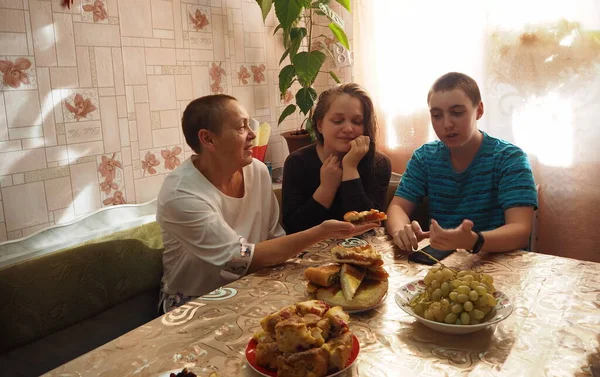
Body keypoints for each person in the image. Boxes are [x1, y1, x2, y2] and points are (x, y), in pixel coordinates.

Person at [156, 94, 376, 312]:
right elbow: (238, 260)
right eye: (242, 127)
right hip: (197, 301)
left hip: (254, 285)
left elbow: (274, 236)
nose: (253, 134)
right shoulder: (182, 194)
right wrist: (322, 232)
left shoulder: (257, 171)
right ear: (208, 139)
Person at [386, 72, 538, 254]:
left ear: (479, 110)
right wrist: (401, 230)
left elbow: (520, 230)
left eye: (457, 113)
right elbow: (397, 207)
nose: (447, 124)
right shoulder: (424, 157)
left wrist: (474, 240)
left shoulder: (509, 158)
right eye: (436, 115)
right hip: (442, 264)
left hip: (497, 261)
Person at [282, 83, 392, 234]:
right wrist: (326, 188)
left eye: (357, 122)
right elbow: (294, 229)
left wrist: (350, 169)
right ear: (320, 125)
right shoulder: (297, 163)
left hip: (364, 252)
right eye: (338, 121)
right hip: (309, 254)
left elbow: (368, 228)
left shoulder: (379, 163)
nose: (348, 129)